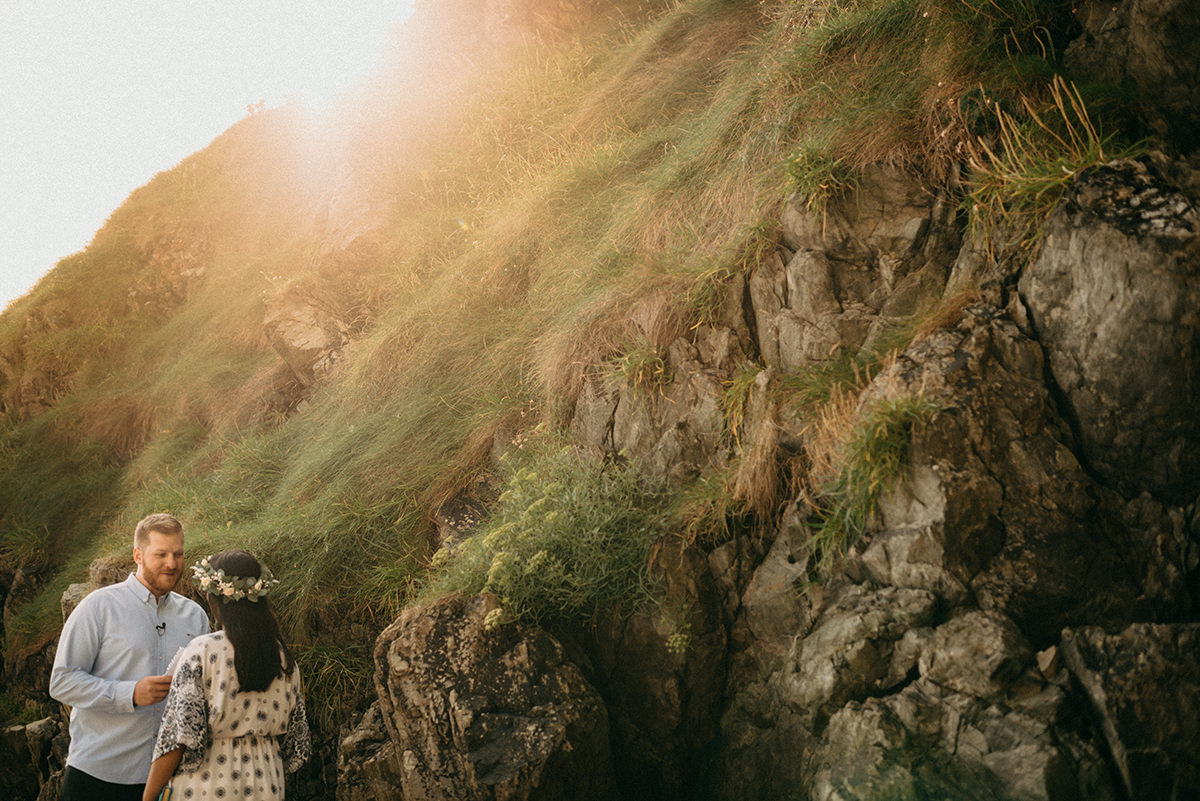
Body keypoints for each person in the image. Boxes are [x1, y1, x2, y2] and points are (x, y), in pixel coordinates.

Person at [50, 513, 211, 801]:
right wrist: (130, 693)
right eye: (161, 554)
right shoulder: (98, 607)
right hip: (97, 776)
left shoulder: (195, 617)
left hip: (168, 781)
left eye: (178, 554)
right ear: (138, 554)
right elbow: (62, 682)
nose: (172, 563)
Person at [143, 550, 311, 801]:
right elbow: (295, 745)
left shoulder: (202, 652)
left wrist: (148, 796)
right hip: (267, 784)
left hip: (208, 785)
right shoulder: (283, 659)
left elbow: (179, 737)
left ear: (214, 601)